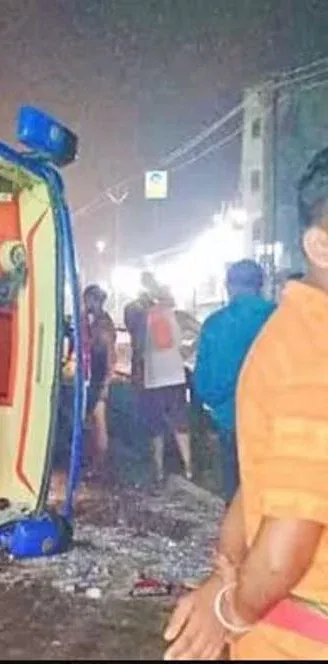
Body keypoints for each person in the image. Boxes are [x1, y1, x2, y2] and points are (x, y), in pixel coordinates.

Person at [163, 146, 328, 660]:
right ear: (321, 245)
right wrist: (228, 611)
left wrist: (224, 579)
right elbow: (283, 549)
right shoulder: (315, 350)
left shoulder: (284, 331)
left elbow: (257, 484)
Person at [192, 259, 275, 504]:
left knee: (237, 495)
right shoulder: (281, 318)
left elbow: (203, 382)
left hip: (232, 420)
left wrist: (220, 404)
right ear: (261, 285)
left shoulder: (215, 324)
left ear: (228, 286)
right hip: (277, 422)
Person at [139, 279, 193, 485]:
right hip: (175, 376)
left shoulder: (145, 317)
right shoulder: (179, 316)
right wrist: (187, 351)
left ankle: (159, 471)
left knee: (156, 427)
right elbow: (200, 330)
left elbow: (138, 346)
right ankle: (188, 468)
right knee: (180, 422)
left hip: (153, 378)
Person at [83, 284, 116, 479]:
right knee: (94, 422)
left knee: (98, 423)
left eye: (87, 300)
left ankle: (99, 466)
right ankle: (96, 464)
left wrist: (106, 383)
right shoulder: (97, 322)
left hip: (99, 377)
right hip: (96, 376)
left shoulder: (102, 324)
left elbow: (110, 355)